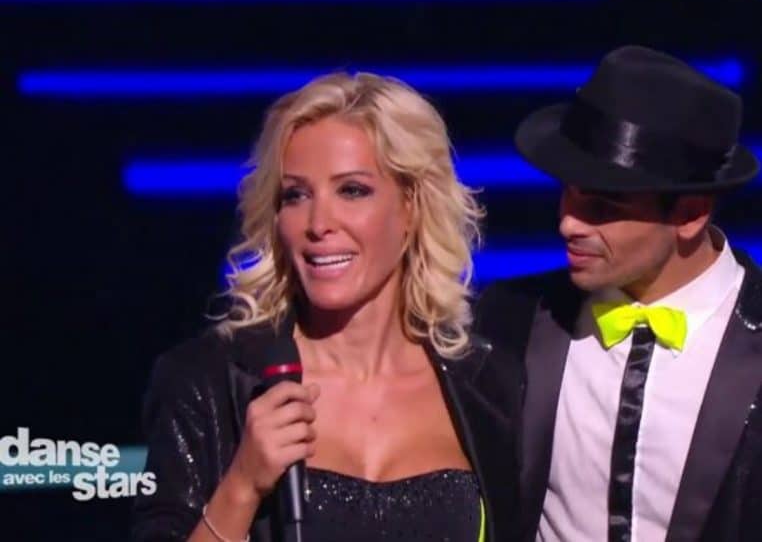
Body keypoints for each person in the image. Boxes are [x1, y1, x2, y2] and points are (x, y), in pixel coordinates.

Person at [130, 72, 522, 542]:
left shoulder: (488, 386)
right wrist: (243, 485)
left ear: (412, 205)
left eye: (352, 190)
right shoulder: (206, 381)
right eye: (296, 195)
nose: (318, 223)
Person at [474, 46, 762, 541]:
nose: (568, 224)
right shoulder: (508, 320)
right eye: (568, 193)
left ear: (690, 214)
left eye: (603, 206)